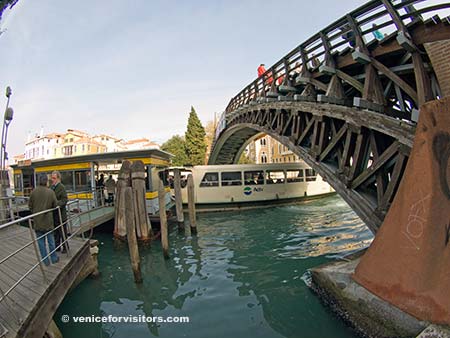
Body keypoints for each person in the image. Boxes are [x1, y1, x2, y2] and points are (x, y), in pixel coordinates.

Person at [29, 175, 59, 265]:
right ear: (46, 181)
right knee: (51, 241)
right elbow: (55, 205)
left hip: (38, 221)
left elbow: (30, 206)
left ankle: (45, 261)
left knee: (41, 243)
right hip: (48, 221)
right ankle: (54, 258)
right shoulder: (50, 192)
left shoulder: (33, 192)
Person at [51, 170, 69, 253]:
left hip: (61, 213)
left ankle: (65, 247)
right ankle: (57, 246)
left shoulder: (61, 187)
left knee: (63, 232)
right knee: (56, 232)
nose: (52, 180)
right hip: (54, 214)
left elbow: (65, 199)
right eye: (52, 178)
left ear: (58, 178)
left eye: (54, 178)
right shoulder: (52, 187)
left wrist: (57, 204)